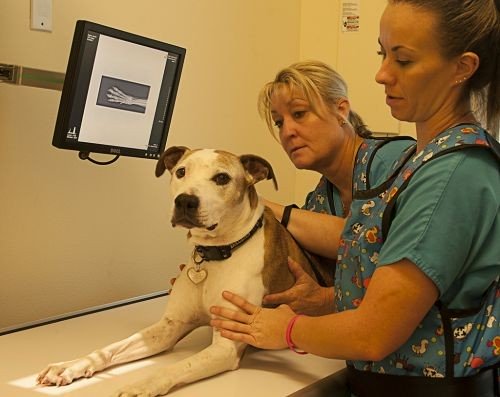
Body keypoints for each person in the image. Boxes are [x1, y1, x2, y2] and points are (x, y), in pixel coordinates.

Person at [210, 1, 500, 396]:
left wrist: (285, 329)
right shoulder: (423, 162)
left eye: (403, 60)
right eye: (383, 55)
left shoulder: (452, 174)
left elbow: (373, 334)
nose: (382, 75)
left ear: (461, 68)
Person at [256, 60, 415, 315]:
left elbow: (380, 248)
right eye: (279, 122)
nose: (287, 131)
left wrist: (256, 206)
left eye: (299, 114)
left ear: (341, 110)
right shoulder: (320, 200)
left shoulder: (397, 163)